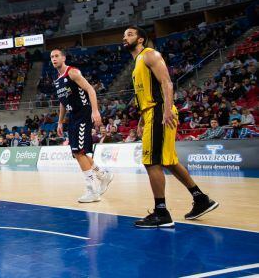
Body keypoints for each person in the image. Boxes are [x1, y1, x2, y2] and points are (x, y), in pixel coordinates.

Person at [123, 26, 218, 228]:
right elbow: (145, 94)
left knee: (152, 162)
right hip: (150, 113)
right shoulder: (136, 62)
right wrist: (141, 118)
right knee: (169, 161)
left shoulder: (150, 55)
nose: (125, 38)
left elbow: (167, 82)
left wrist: (166, 109)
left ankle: (161, 213)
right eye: (124, 35)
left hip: (159, 111)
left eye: (129, 34)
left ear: (141, 39)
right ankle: (201, 199)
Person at [51, 49, 113, 203]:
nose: (54, 59)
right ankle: (103, 175)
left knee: (79, 152)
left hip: (83, 114)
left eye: (57, 56)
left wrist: (95, 111)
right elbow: (62, 102)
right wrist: (60, 121)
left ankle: (92, 190)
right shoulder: (57, 80)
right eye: (52, 57)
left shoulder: (72, 72)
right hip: (73, 117)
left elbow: (90, 89)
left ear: (64, 58)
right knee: (78, 153)